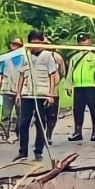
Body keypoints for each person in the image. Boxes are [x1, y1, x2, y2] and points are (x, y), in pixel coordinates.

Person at [13, 30, 58, 161]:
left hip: (42, 94)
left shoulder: (48, 56)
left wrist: (50, 94)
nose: (36, 46)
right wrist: (18, 93)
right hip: (27, 94)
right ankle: (23, 151)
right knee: (23, 123)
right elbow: (21, 75)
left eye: (38, 43)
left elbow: (52, 76)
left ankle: (38, 150)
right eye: (33, 43)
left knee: (40, 123)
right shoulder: (25, 56)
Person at [66, 32, 95, 142]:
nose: (83, 43)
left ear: (89, 41)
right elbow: (70, 72)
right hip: (78, 87)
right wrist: (68, 85)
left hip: (90, 86)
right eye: (81, 41)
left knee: (94, 109)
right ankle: (78, 132)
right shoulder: (74, 57)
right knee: (77, 110)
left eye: (85, 40)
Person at [0, 37, 24, 140]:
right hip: (7, 88)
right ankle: (4, 134)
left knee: (20, 114)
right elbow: (1, 74)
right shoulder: (5, 58)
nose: (15, 46)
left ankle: (19, 132)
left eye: (17, 45)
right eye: (13, 44)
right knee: (5, 114)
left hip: (20, 90)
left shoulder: (24, 58)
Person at [42, 37, 65, 145]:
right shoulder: (36, 58)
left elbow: (62, 72)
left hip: (53, 91)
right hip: (40, 91)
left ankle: (48, 134)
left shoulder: (57, 57)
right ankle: (41, 135)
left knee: (52, 115)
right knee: (40, 115)